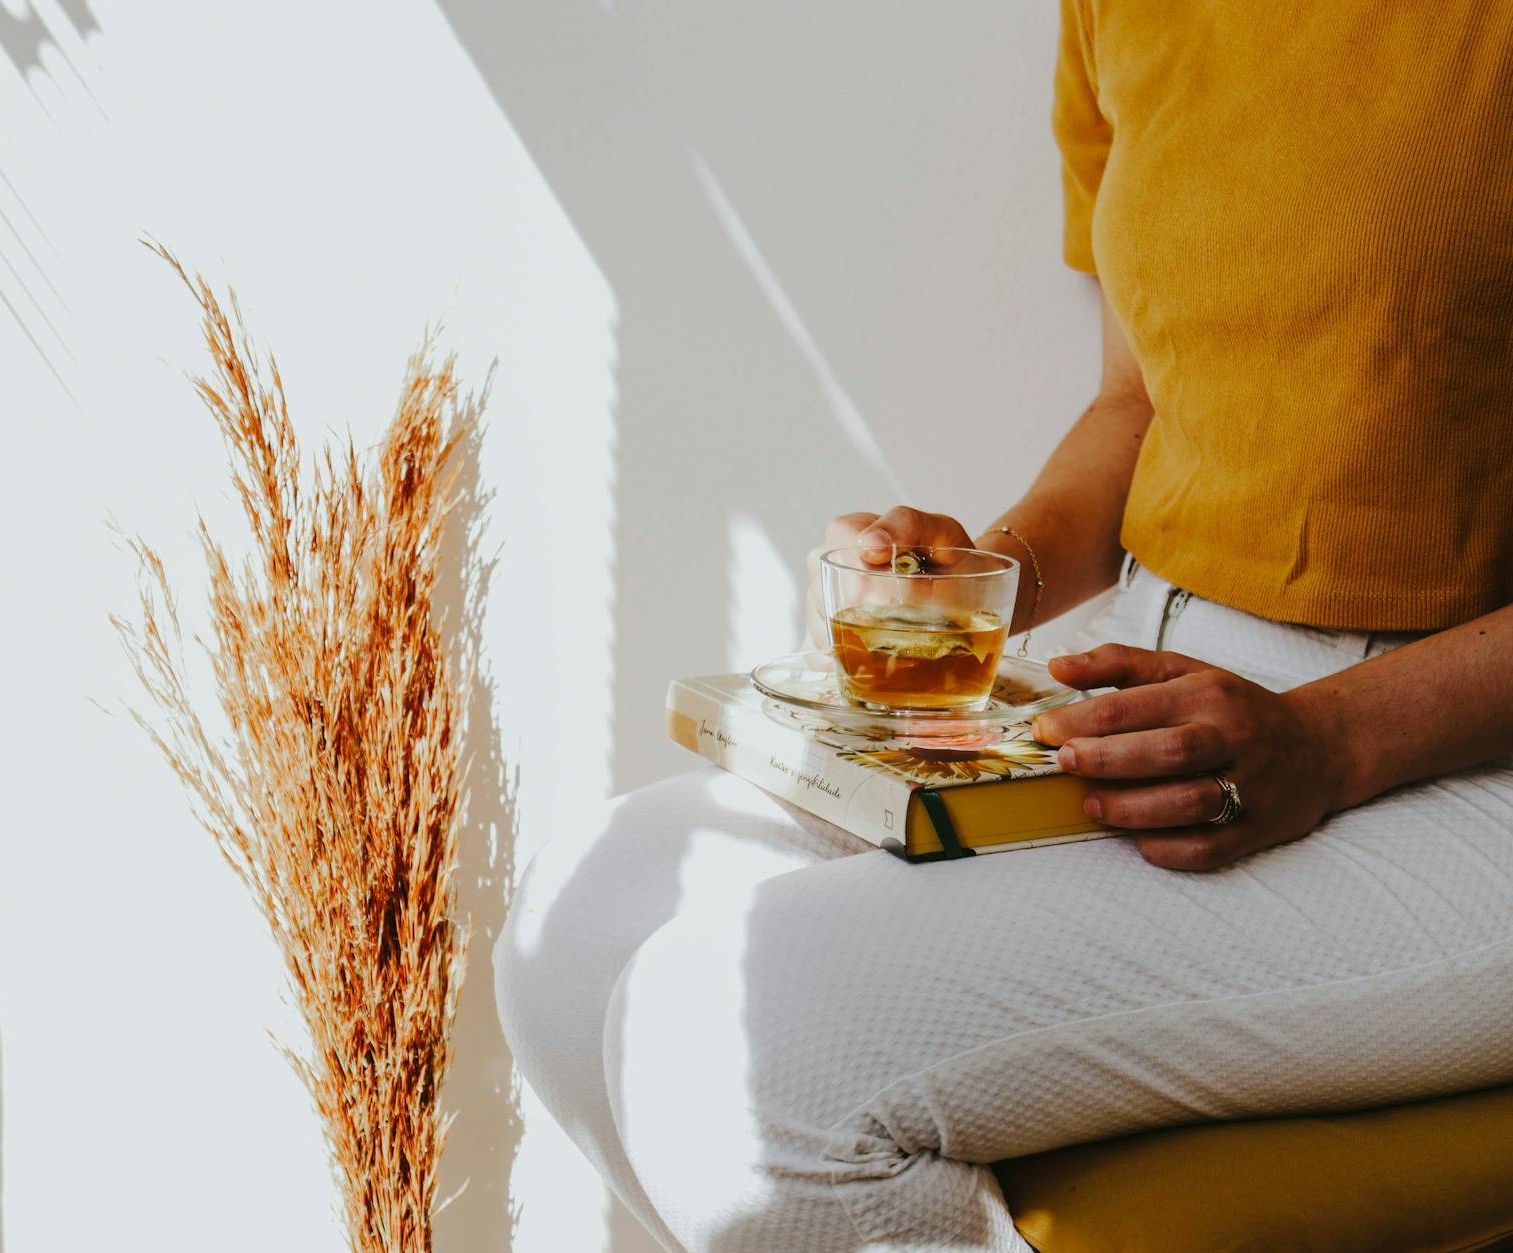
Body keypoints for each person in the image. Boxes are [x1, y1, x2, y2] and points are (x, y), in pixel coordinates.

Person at [494, 3, 1513, 1249]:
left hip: (1456, 754)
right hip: (1165, 680)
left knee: (733, 1045)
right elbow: (1137, 403)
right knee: (576, 935)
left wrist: (1333, 737)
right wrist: (978, 581)